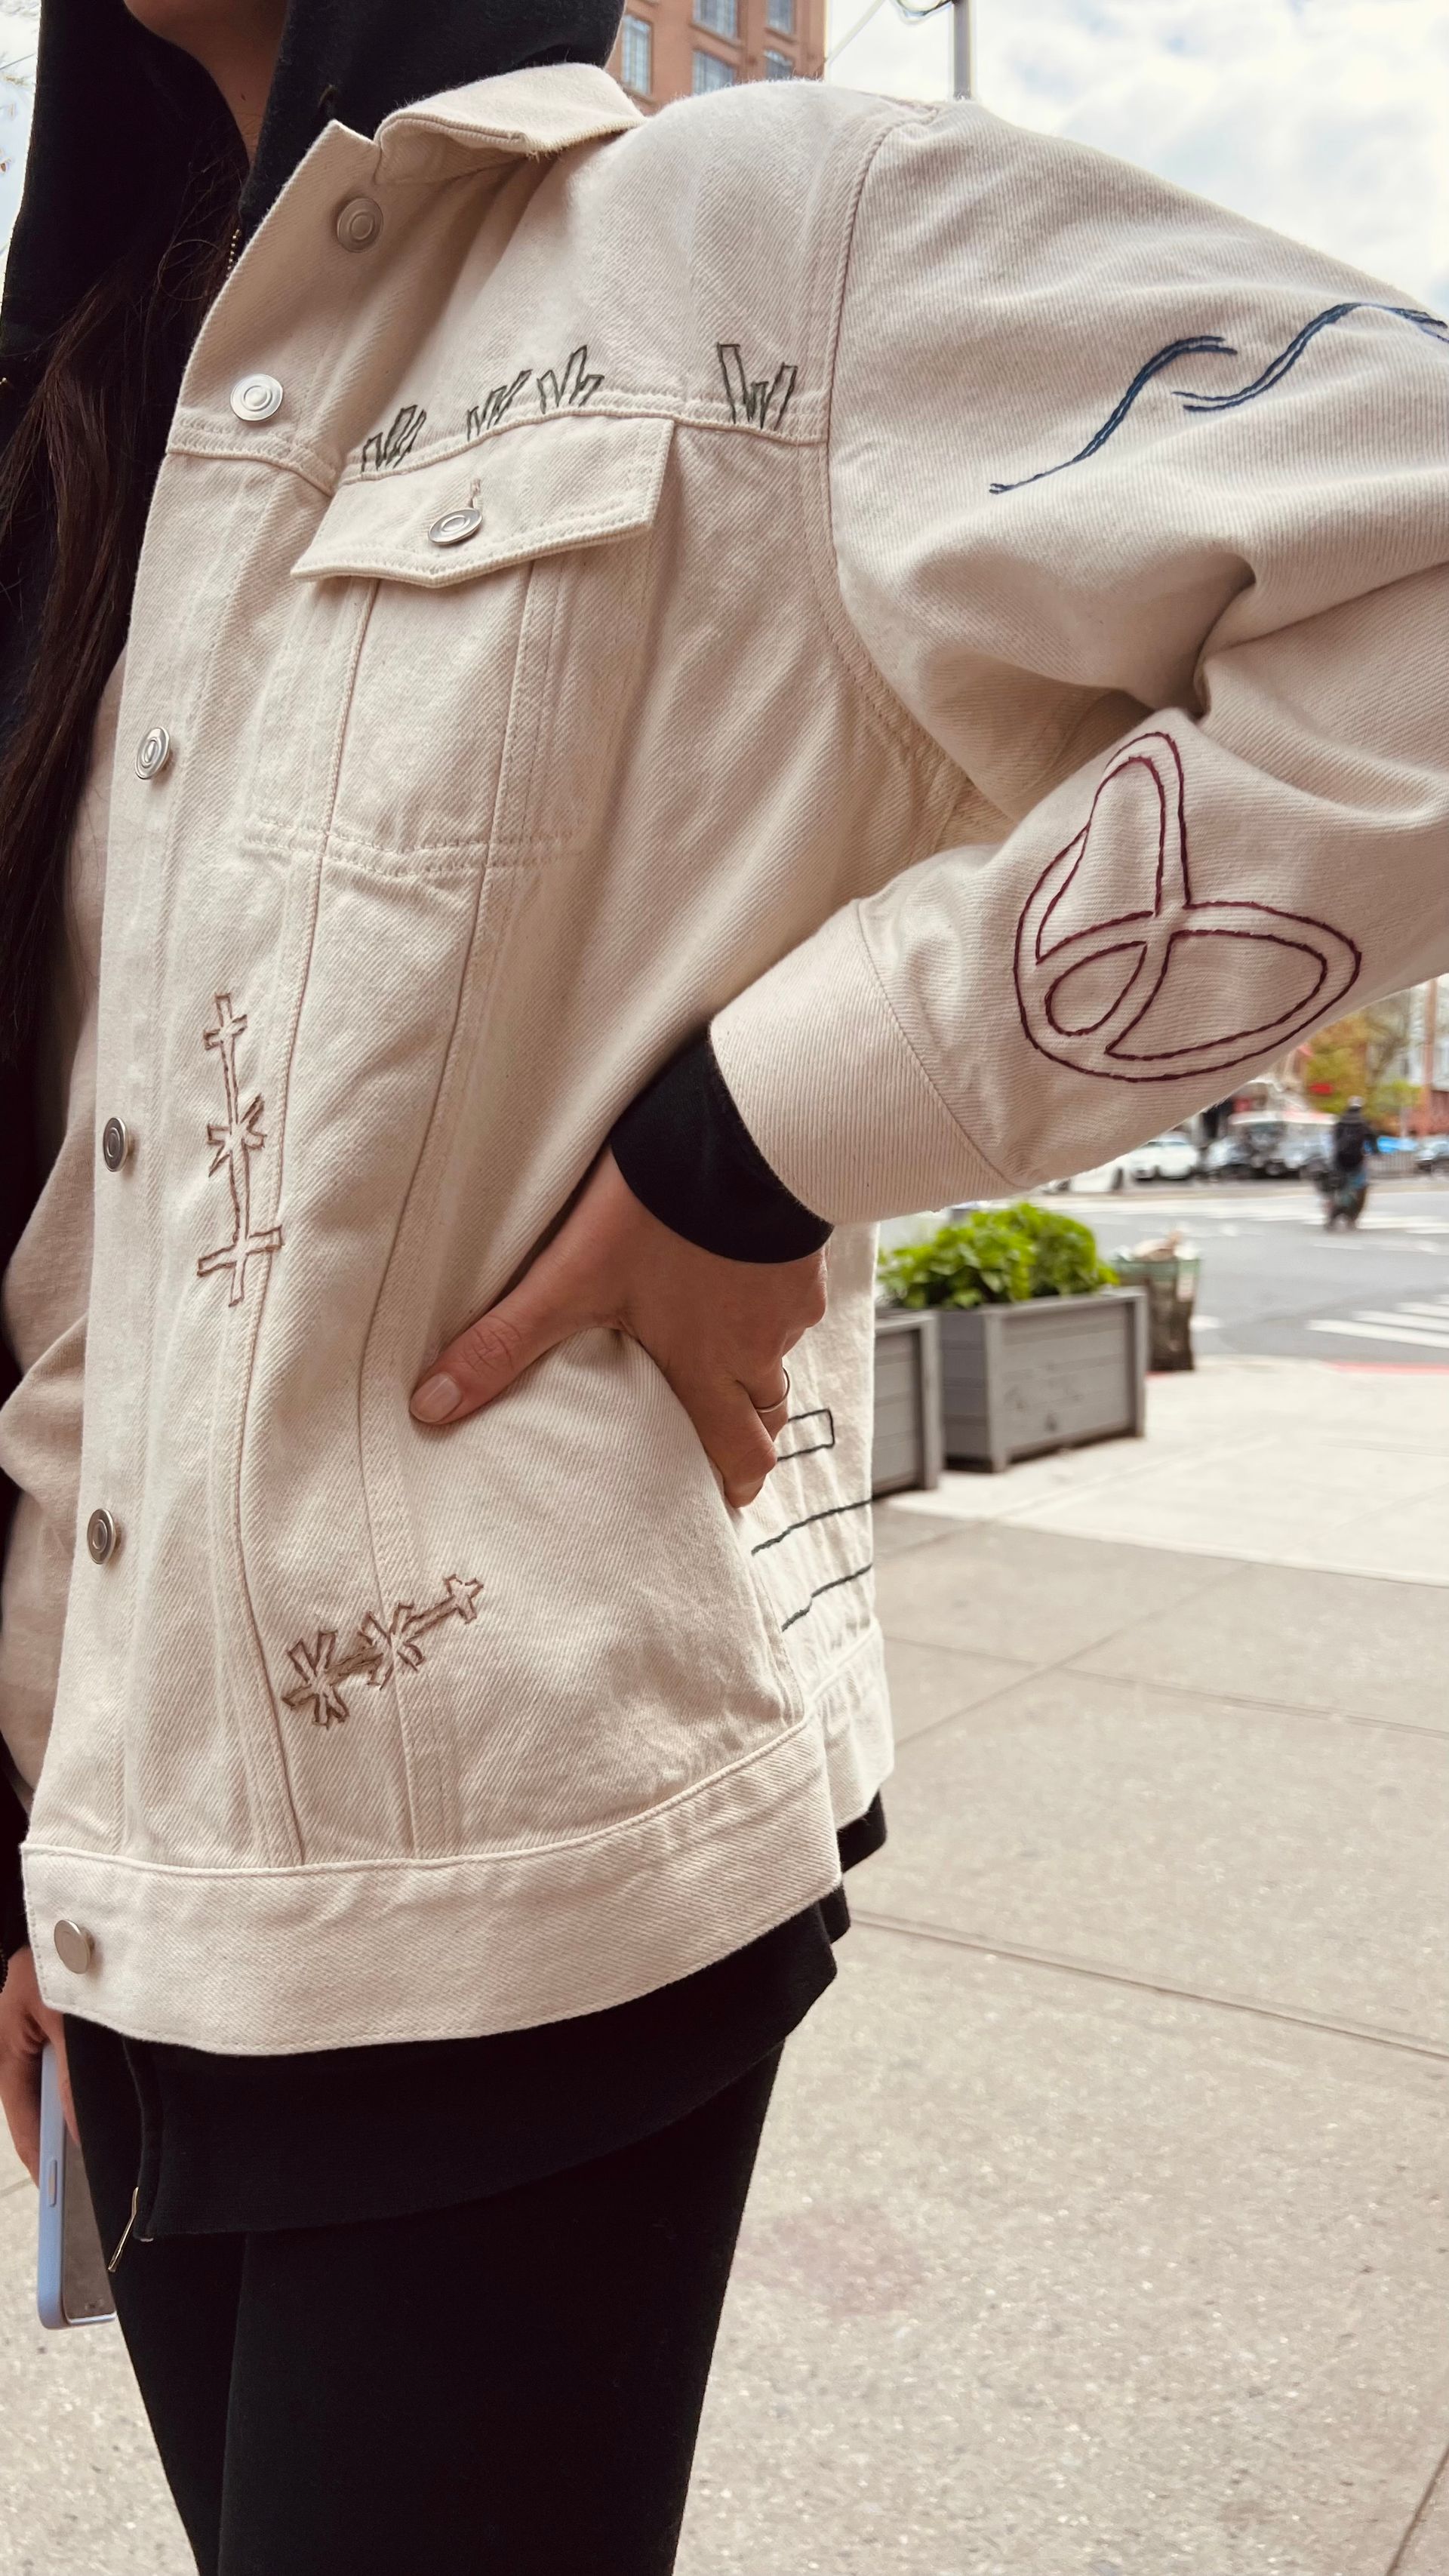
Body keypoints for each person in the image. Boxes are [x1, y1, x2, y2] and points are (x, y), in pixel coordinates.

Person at [2, 4, 1447, 2568]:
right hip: (116, 1875)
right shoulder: (90, 409)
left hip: (516, 1869)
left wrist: (764, 1134)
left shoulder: (755, 237)